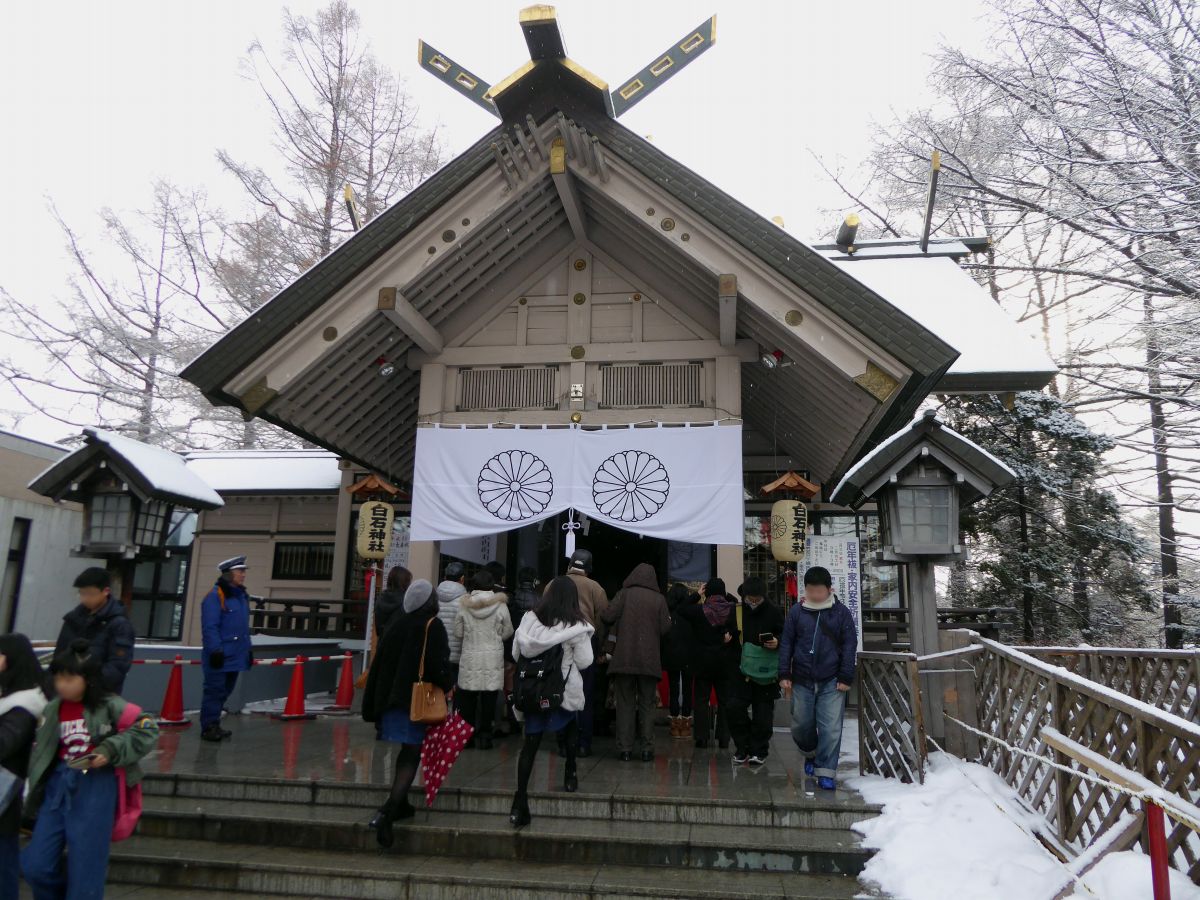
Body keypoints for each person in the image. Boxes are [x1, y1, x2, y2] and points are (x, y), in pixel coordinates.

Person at [21, 639, 159, 900]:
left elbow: (147, 728)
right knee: (35, 865)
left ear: (88, 679)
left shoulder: (110, 705)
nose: (62, 684)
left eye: (69, 679)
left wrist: (109, 749)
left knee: (87, 867)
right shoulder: (53, 708)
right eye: (58, 678)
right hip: (58, 785)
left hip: (96, 786)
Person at [362, 579, 453, 849]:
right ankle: (387, 813)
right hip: (414, 701)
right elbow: (437, 664)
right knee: (411, 754)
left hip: (392, 699)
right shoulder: (431, 625)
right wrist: (448, 685)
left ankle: (401, 804)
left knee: (406, 750)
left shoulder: (398, 623)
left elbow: (381, 662)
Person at [509, 576, 594, 828]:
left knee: (530, 745)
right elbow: (585, 661)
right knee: (570, 727)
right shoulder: (576, 625)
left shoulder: (529, 619)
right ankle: (570, 771)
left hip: (534, 691)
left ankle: (519, 801)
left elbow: (516, 652)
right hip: (561, 692)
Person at [778, 566, 858, 790]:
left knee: (831, 728)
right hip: (802, 678)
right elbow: (786, 643)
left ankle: (826, 771)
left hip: (832, 679)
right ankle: (810, 752)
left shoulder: (841, 613)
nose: (814, 595)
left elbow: (849, 645)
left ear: (829, 589)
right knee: (801, 725)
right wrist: (784, 673)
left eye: (819, 590)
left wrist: (846, 676)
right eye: (810, 590)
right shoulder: (797, 612)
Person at [600, 563, 671, 762]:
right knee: (648, 704)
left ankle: (625, 749)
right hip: (649, 661)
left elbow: (607, 616)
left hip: (624, 659)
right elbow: (665, 628)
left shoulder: (624, 594)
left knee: (625, 703)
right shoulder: (659, 599)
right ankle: (647, 749)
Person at [0, 634, 49, 900]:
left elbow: (5, 743)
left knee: (4, 865)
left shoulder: (25, 704)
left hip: (7, 793)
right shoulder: (10, 696)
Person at [727, 577, 785, 766]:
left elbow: (785, 634)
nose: (753, 602)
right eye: (749, 599)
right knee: (734, 708)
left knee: (763, 715)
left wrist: (777, 641)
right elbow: (725, 631)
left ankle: (759, 750)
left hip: (765, 671)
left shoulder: (774, 611)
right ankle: (742, 747)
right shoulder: (736, 611)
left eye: (757, 599)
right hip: (740, 670)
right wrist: (726, 637)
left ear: (763, 596)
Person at [453, 570, 513, 750]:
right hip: (492, 658)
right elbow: (508, 631)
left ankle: (467, 738)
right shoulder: (501, 606)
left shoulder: (464, 605)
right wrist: (496, 637)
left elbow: (458, 632)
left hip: (470, 657)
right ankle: (486, 736)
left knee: (468, 700)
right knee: (489, 699)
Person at [678, 578, 740, 750]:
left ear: (707, 592)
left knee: (701, 700)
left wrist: (697, 595)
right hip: (725, 664)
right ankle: (724, 738)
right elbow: (736, 610)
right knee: (724, 701)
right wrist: (726, 595)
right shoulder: (732, 609)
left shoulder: (699, 610)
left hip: (703, 663)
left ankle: (701, 738)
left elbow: (681, 609)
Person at [54, 567, 135, 694]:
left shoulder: (119, 624)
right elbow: (59, 656)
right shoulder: (73, 619)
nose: (84, 598)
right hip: (67, 692)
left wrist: (87, 684)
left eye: (90, 593)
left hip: (100, 695)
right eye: (81, 593)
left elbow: (118, 666)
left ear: (106, 591)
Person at [199, 556, 253, 743]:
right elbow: (210, 627)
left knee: (224, 691)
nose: (243, 575)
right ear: (229, 574)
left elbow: (242, 628)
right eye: (240, 571)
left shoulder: (240, 597)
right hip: (221, 655)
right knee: (214, 691)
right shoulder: (216, 596)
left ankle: (214, 723)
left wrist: (247, 650)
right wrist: (215, 650)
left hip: (235, 654)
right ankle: (208, 726)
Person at [563, 549, 609, 756]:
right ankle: (583, 743)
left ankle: (563, 741)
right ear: (589, 568)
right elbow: (603, 619)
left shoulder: (555, 584)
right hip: (585, 641)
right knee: (585, 692)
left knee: (561, 689)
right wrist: (600, 645)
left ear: (570, 564)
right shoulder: (596, 588)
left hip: (560, 640)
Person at [501, 567, 541, 736]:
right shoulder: (539, 600)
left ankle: (513, 720)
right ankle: (529, 718)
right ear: (534, 580)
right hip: (531, 646)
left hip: (511, 645)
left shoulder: (510, 598)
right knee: (529, 681)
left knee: (510, 683)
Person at [661, 583, 697, 740]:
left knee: (674, 689)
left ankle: (675, 723)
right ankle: (686, 724)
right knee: (688, 689)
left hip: (671, 655)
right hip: (689, 655)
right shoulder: (691, 613)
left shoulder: (667, 612)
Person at [435, 562, 467, 687]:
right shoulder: (465, 600)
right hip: (457, 655)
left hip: (437, 652)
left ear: (445, 577)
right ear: (462, 579)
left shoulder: (434, 596)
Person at [376, 566, 413, 641]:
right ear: (405, 583)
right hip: (401, 644)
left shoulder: (381, 598)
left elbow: (378, 628)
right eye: (409, 581)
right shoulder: (406, 602)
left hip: (383, 642)